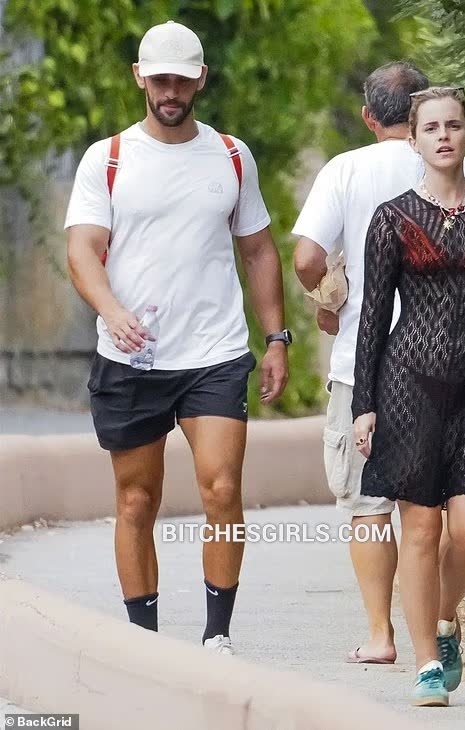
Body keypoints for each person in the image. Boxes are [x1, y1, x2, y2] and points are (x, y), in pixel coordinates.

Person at [64, 20, 291, 656]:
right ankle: (146, 644)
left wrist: (276, 337)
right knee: (137, 500)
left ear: (200, 80)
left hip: (214, 351)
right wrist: (111, 310)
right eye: (160, 79)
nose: (171, 91)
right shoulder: (108, 158)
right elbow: (81, 249)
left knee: (222, 488)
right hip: (131, 357)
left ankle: (217, 635)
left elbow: (258, 250)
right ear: (140, 77)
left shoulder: (231, 156)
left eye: (182, 80)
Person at [293, 62, 465, 675]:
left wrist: (329, 301)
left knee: (369, 506)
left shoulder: (345, 169)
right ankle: (439, 616)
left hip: (365, 366)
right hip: (455, 369)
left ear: (368, 116)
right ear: (418, 114)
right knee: (437, 511)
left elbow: (305, 257)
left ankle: (382, 634)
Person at [351, 86, 465, 706]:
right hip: (407, 385)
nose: (444, 136)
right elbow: (374, 316)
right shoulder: (392, 217)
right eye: (431, 128)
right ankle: (428, 662)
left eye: (453, 125)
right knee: (422, 529)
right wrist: (364, 405)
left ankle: (445, 615)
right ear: (414, 140)